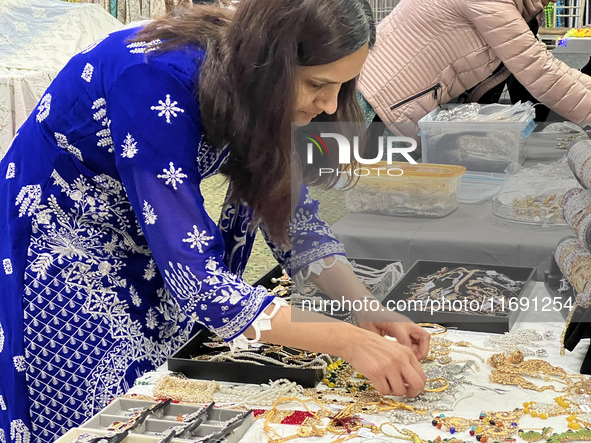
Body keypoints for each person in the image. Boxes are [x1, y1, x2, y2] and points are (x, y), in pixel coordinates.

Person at [0, 1, 430, 442]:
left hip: (147, 224)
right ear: (270, 63)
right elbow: (199, 281)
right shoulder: (153, 76)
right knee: (100, 401)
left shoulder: (255, 78)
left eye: (342, 86)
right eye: (318, 84)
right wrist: (348, 342)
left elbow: (289, 215)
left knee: (160, 383)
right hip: (62, 237)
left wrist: (365, 308)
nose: (328, 104)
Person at [358, 0, 591, 129]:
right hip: (380, 103)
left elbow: (547, 66)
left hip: (395, 100)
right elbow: (540, 72)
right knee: (383, 198)